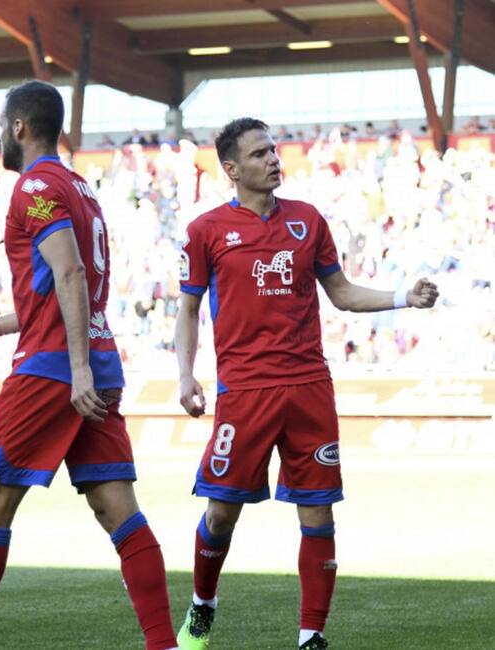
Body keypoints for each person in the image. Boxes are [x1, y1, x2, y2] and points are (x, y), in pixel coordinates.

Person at [174, 117, 439, 650]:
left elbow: (342, 293)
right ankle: (203, 605)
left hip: (309, 387)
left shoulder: (307, 220)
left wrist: (403, 298)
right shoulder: (206, 231)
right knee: (221, 512)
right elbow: (188, 309)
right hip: (244, 393)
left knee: (318, 510)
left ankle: (311, 634)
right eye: (259, 154)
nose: (274, 159)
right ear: (232, 169)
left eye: (273, 150)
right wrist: (185, 374)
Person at [0, 80, 178, 650]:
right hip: (93, 360)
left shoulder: (34, 186)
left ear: (19, 127)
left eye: (2, 126)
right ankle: (164, 645)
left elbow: (69, 272)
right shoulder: (80, 188)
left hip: (53, 371)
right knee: (119, 511)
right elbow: (62, 285)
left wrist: (77, 369)